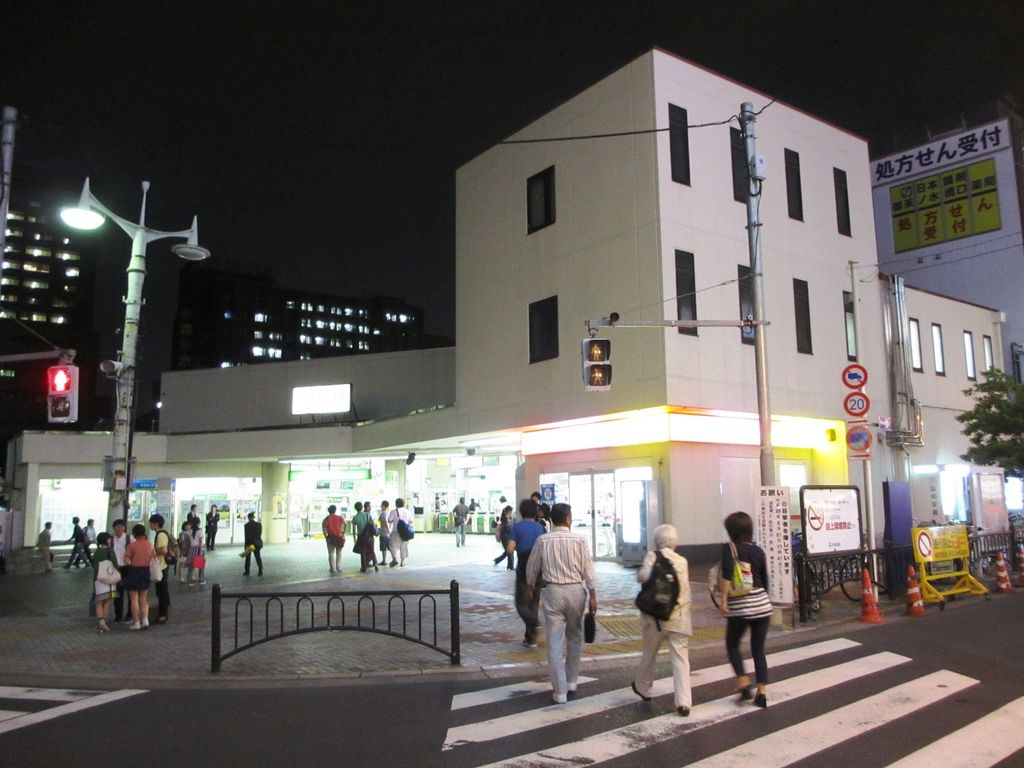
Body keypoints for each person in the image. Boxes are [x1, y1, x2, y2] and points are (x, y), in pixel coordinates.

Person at [525, 503, 597, 704]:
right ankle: (572, 681)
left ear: (551, 520)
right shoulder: (580, 540)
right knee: (575, 637)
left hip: (553, 592)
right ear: (567, 519)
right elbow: (588, 570)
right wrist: (592, 595)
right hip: (576, 591)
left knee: (554, 642)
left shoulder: (543, 540)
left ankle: (560, 692)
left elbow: (532, 568)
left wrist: (531, 586)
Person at [631, 524, 693, 716]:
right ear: (675, 542)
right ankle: (684, 703)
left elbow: (643, 577)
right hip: (680, 617)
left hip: (656, 618)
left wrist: (641, 574)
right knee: (681, 659)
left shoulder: (652, 556)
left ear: (657, 542)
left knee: (649, 653)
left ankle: (643, 687)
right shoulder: (683, 561)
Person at [718, 510, 772, 708]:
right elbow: (765, 579)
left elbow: (726, 575)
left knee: (732, 644)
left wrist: (724, 600)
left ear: (731, 531)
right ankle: (762, 692)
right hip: (762, 605)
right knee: (758, 649)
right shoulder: (758, 551)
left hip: (741, 607)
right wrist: (765, 601)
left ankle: (743, 682)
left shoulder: (730, 548)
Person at [507, 499, 545, 646]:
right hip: (539, 568)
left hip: (524, 567)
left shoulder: (517, 527)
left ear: (521, 512)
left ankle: (535, 623)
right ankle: (531, 639)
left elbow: (510, 549)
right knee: (534, 602)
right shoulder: (540, 528)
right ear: (535, 512)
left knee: (521, 603)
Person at [123, 523, 153, 630]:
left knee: (134, 599)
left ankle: (136, 622)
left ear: (134, 534)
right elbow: (152, 557)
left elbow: (126, 560)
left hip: (134, 571)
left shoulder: (132, 546)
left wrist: (130, 561)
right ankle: (145, 620)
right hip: (146, 571)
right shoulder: (149, 544)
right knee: (143, 598)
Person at [91, 532, 119, 633]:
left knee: (99, 602)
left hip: (98, 579)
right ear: (106, 540)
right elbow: (115, 564)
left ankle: (101, 622)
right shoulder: (110, 550)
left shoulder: (97, 551)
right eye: (109, 539)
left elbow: (94, 565)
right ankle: (104, 622)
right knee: (106, 602)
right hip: (109, 579)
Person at [150, 514, 172, 622]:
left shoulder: (161, 535)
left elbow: (163, 550)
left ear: (156, 524)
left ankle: (163, 614)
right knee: (163, 590)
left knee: (161, 591)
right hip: (162, 565)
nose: (150, 525)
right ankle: (165, 611)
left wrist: (153, 553)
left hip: (161, 566)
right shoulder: (161, 534)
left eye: (151, 523)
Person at [111, 519, 131, 622]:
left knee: (130, 591)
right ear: (114, 528)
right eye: (117, 527)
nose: (119, 529)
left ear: (124, 528)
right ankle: (118, 615)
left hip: (127, 567)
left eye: (121, 527)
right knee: (117, 593)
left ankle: (130, 614)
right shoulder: (111, 539)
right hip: (115, 568)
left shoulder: (129, 538)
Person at [352, 502, 378, 573]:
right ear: (362, 507)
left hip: (361, 537)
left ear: (355, 508)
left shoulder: (355, 517)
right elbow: (373, 524)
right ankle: (375, 564)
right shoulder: (367, 514)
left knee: (363, 552)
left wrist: (354, 538)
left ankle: (364, 568)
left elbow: (354, 530)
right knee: (372, 551)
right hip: (370, 536)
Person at [387, 498, 412, 567]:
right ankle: (402, 562)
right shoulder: (407, 511)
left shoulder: (394, 511)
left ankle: (394, 559)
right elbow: (411, 521)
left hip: (396, 531)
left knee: (391, 545)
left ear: (396, 504)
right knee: (404, 547)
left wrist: (395, 520)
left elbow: (389, 520)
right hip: (405, 532)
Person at [321, 504, 346, 574]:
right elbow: (345, 524)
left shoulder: (326, 519)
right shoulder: (340, 517)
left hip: (331, 537)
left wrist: (326, 536)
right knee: (339, 552)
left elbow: (324, 529)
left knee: (331, 553)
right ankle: (338, 567)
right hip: (339, 537)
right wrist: (343, 533)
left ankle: (333, 569)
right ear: (335, 510)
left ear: (329, 511)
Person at [184, 518, 206, 586]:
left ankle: (189, 581)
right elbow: (200, 542)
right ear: (198, 523)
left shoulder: (190, 531)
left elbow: (188, 541)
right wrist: (201, 551)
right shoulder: (200, 531)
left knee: (191, 566)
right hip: (198, 549)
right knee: (201, 565)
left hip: (192, 549)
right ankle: (201, 579)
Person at [493, 505, 515, 570]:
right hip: (506, 537)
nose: (512, 513)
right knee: (510, 551)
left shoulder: (506, 518)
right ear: (509, 512)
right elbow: (508, 528)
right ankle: (510, 566)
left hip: (505, 537)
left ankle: (498, 561)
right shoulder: (506, 519)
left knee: (508, 551)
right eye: (511, 512)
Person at [243, 512, 264, 576]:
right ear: (253, 517)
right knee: (258, 557)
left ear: (248, 518)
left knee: (248, 558)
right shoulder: (259, 524)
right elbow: (260, 533)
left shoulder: (246, 525)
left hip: (249, 544)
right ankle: (260, 571)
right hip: (257, 543)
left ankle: (247, 571)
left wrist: (245, 545)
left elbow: (246, 536)